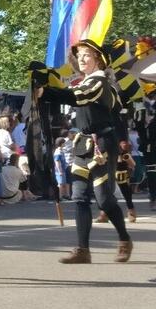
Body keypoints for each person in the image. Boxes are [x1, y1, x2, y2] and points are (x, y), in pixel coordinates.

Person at [33, 40, 133, 264]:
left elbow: (76, 96)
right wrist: (43, 84)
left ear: (98, 59)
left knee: (104, 200)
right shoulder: (82, 83)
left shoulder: (99, 83)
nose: (82, 59)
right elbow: (68, 96)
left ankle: (124, 238)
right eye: (79, 56)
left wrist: (46, 92)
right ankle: (82, 250)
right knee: (79, 197)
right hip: (81, 143)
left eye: (87, 55)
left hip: (102, 144)